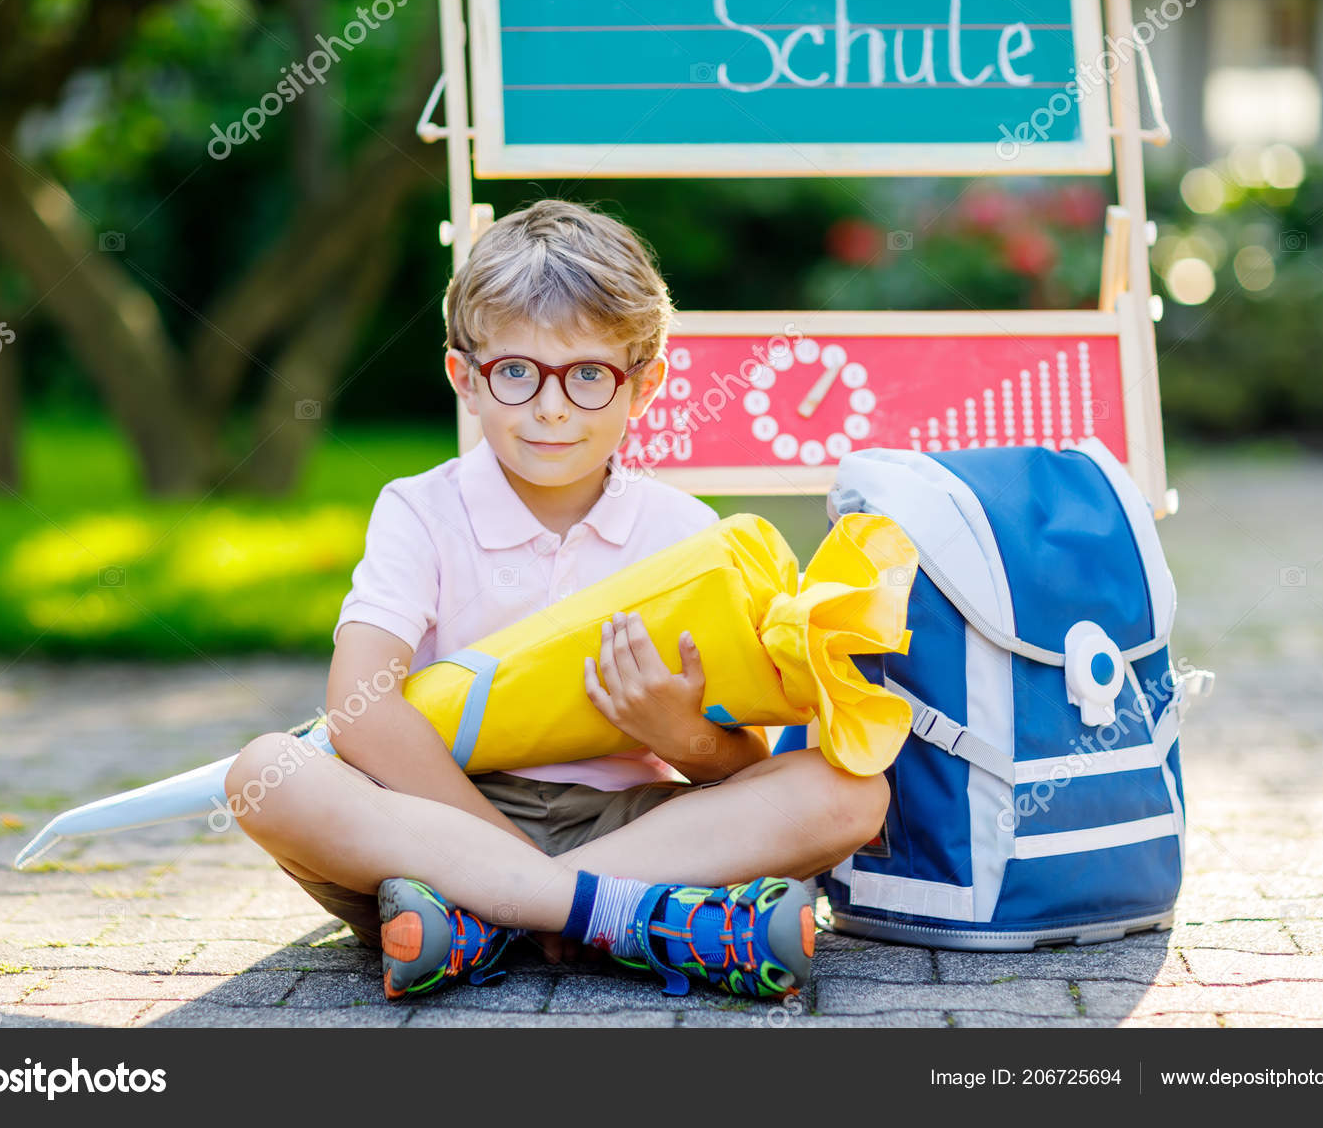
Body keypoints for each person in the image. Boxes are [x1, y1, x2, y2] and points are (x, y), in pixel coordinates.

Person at [226, 199, 890, 1002]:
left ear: (643, 386)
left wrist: (678, 732)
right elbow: (359, 710)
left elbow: (740, 765)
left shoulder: (685, 533)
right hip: (440, 816)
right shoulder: (419, 509)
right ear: (464, 378)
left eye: (586, 376)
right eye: (516, 372)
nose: (550, 408)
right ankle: (648, 924)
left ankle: (480, 926)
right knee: (264, 770)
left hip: (634, 828)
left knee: (852, 790)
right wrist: (503, 852)